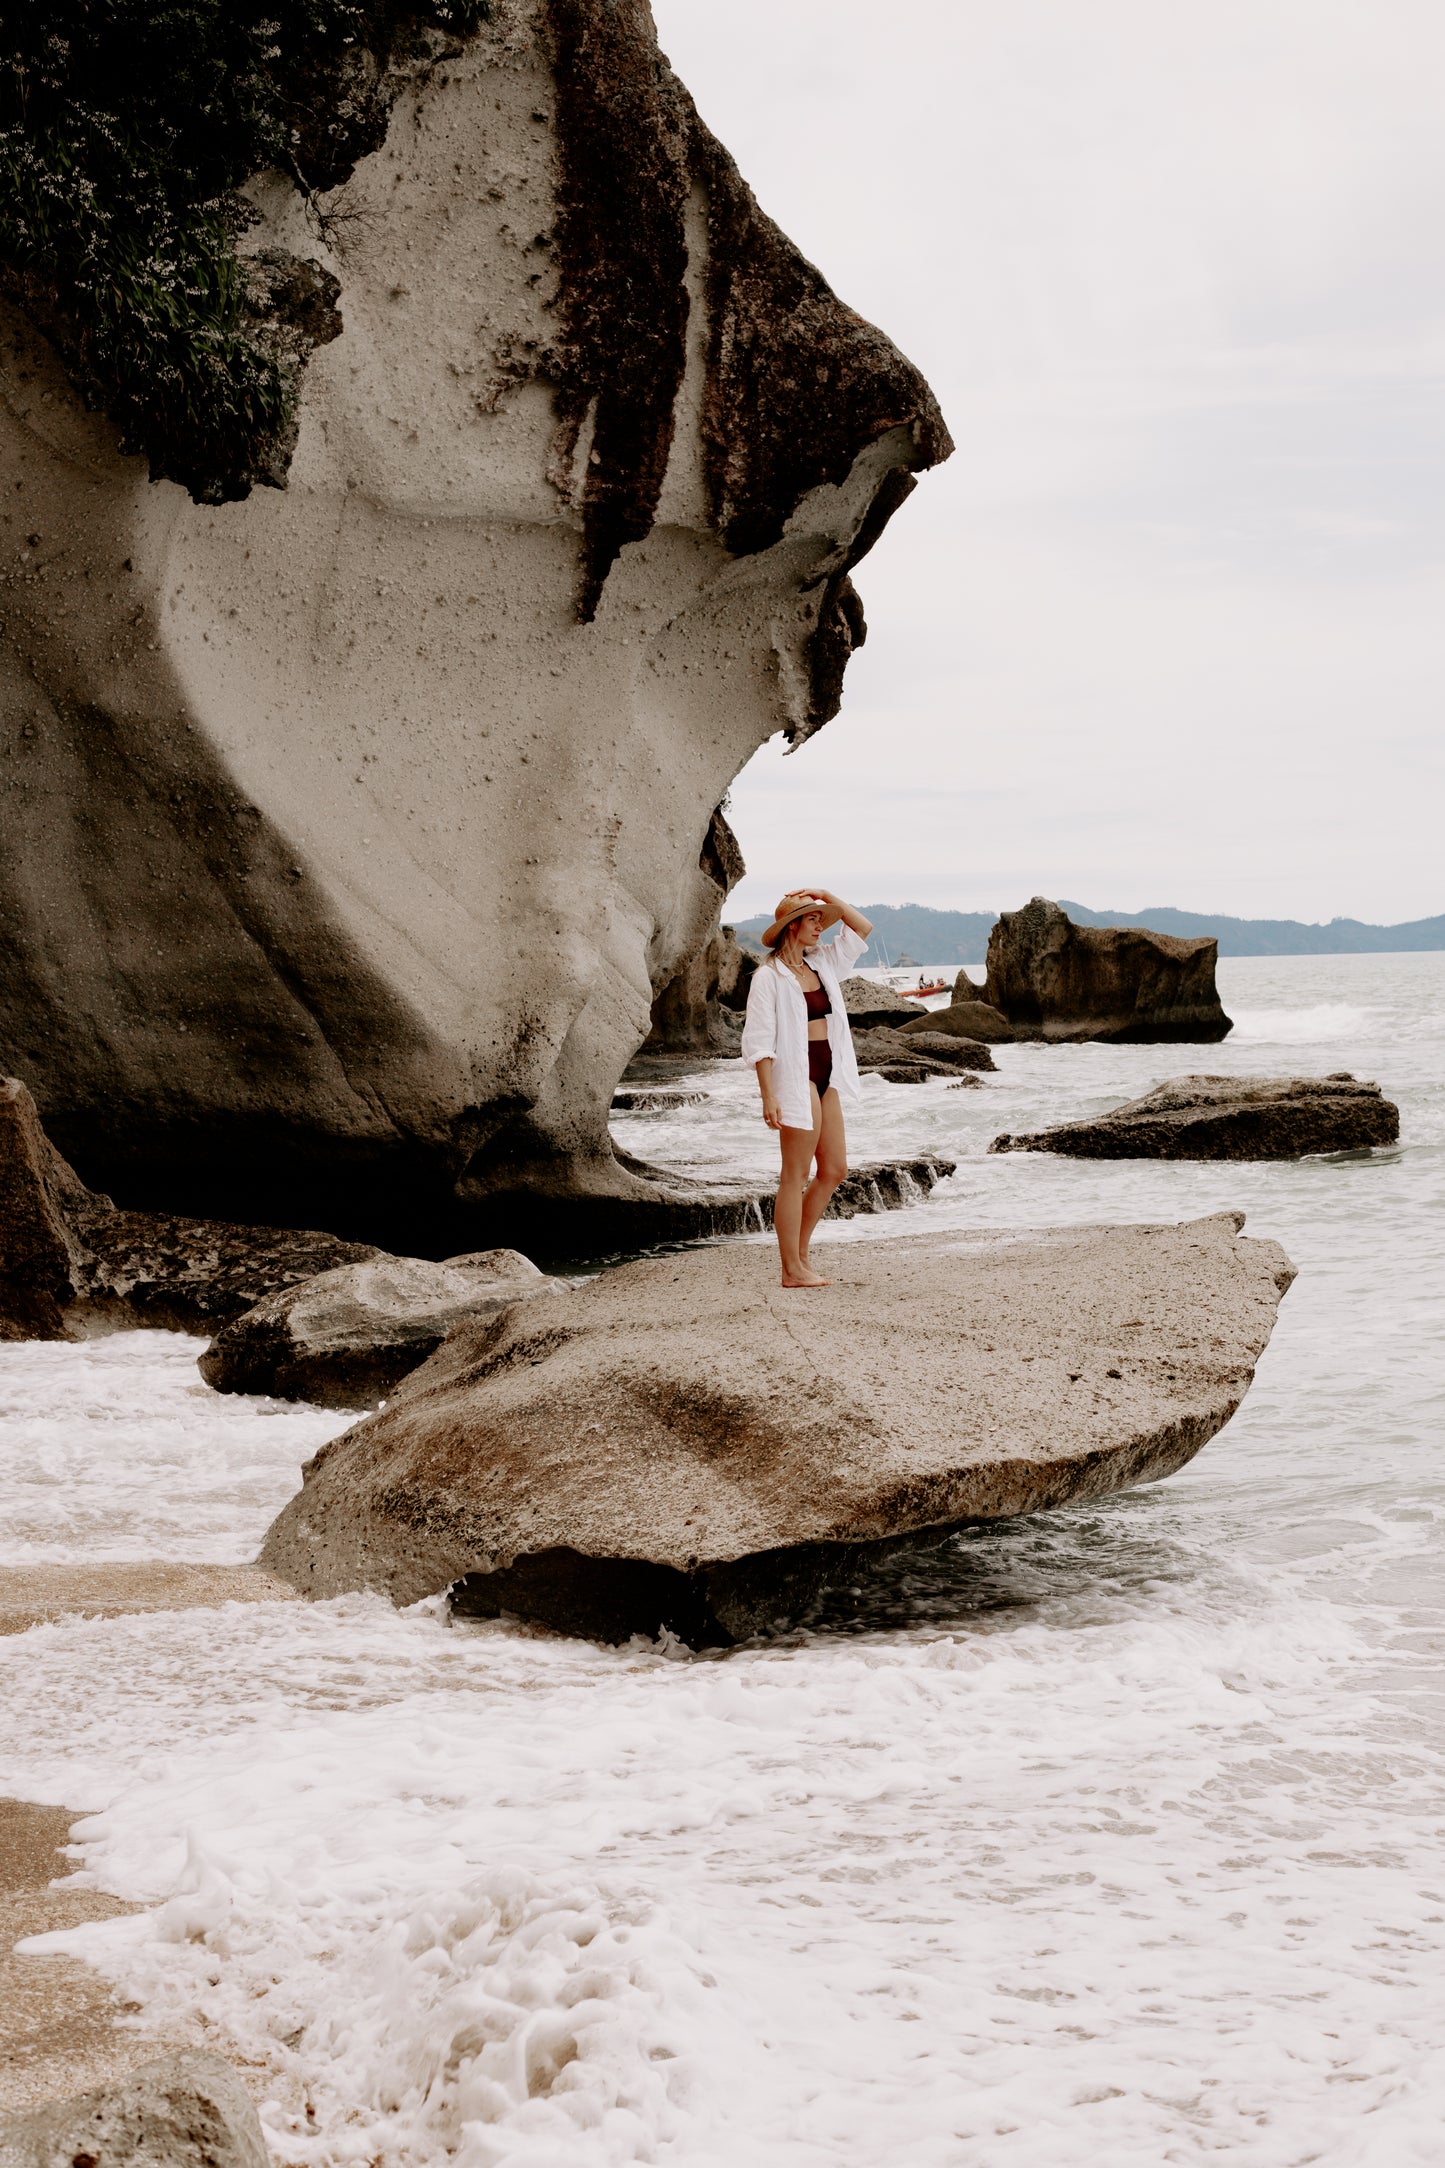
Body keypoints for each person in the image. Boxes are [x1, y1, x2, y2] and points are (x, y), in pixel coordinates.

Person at [739, 888, 874, 1287]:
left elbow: (861, 929)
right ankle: (791, 1269)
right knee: (794, 1174)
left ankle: (798, 1255)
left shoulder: (822, 964)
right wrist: (768, 1095)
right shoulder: (768, 977)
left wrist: (825, 896)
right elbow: (759, 1041)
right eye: (813, 919)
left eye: (821, 919)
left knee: (834, 1169)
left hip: (829, 1074)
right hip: (796, 1080)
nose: (820, 926)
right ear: (792, 926)